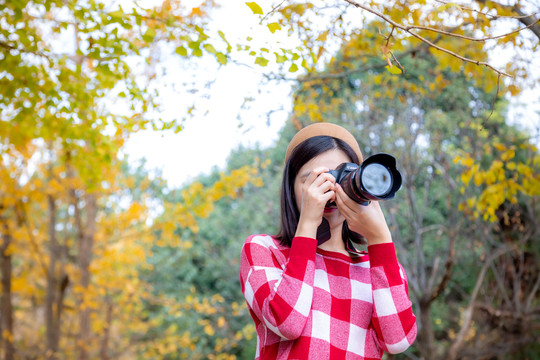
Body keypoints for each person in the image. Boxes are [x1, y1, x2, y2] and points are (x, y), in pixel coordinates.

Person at [240, 123, 417, 359]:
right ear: (291, 189)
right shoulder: (265, 250)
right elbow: (287, 322)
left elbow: (398, 341)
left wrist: (379, 239)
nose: (330, 189)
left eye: (340, 177)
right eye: (315, 180)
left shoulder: (379, 269)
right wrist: (307, 227)